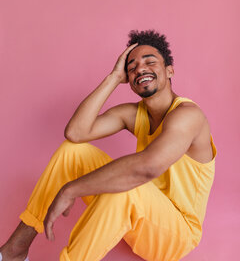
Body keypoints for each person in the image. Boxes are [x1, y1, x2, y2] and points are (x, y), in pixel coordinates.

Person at [0, 30, 217, 261]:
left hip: (176, 234)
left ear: (169, 70)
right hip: (140, 213)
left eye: (150, 62)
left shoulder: (188, 116)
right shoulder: (134, 114)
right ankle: (15, 251)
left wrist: (70, 189)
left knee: (129, 187)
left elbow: (147, 167)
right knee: (73, 151)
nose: (140, 69)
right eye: (132, 67)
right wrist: (113, 77)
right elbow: (76, 133)